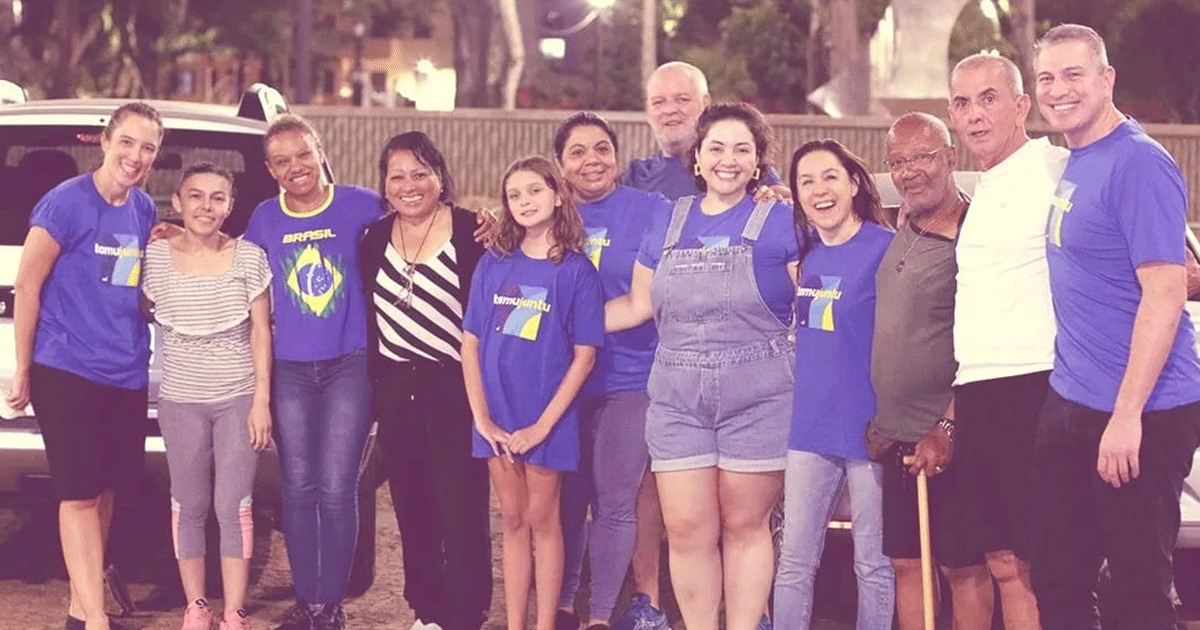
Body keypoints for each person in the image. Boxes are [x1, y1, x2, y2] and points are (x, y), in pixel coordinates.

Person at [1030, 24, 1200, 629]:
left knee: (1138, 595)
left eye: (1074, 74)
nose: (1059, 89)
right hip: (1072, 400)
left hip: (1143, 410)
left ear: (1107, 79)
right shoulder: (1081, 157)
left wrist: (1127, 415)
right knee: (1057, 581)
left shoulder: (1139, 163)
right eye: (1047, 78)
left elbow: (1166, 293)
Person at [606, 102, 798, 630]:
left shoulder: (783, 219)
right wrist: (562, 326)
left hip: (760, 397)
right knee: (688, 530)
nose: (727, 160)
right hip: (677, 399)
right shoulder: (667, 219)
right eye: (716, 148)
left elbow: (812, 305)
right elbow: (637, 306)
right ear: (697, 157)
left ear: (758, 161)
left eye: (742, 149)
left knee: (745, 526)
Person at [7, 102, 162, 630]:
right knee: (77, 494)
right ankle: (96, 619)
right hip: (66, 368)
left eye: (147, 148)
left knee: (104, 491)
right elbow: (27, 285)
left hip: (125, 371)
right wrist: (23, 368)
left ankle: (81, 609)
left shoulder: (143, 210)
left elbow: (134, 289)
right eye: (127, 143)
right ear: (105, 142)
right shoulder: (66, 203)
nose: (135, 156)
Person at [943, 52, 1070, 630]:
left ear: (1021, 106)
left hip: (1037, 386)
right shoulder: (981, 190)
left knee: (1038, 562)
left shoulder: (1055, 166)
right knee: (1000, 562)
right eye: (962, 102)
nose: (974, 114)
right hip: (977, 390)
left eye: (988, 98)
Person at [242, 114, 384, 630]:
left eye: (303, 154)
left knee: (337, 486)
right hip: (290, 371)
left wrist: (482, 222)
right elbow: (235, 268)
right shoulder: (263, 219)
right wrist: (178, 236)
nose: (295, 167)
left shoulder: (360, 204)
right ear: (270, 169)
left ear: (320, 152)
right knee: (299, 487)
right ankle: (307, 602)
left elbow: (420, 223)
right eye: (282, 161)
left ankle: (330, 604)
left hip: (350, 363)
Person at [358, 131, 492, 630]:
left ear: (440, 177)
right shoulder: (374, 238)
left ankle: (464, 613)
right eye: (397, 176)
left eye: (420, 173)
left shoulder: (471, 230)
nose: (408, 185)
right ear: (384, 185)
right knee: (411, 505)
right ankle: (426, 611)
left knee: (461, 505)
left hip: (455, 385)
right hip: (396, 387)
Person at [463, 156, 604, 630]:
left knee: (545, 520)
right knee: (513, 519)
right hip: (497, 415)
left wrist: (542, 426)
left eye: (534, 191)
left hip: (547, 416)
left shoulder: (577, 271)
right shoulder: (493, 263)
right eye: (514, 195)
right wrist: (482, 418)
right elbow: (470, 343)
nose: (524, 202)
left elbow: (585, 356)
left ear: (558, 195)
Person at [865, 112, 992, 630]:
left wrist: (947, 426)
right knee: (906, 564)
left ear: (951, 158)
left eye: (922, 156)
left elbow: (987, 344)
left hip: (949, 436)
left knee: (964, 567)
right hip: (896, 435)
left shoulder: (975, 236)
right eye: (898, 161)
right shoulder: (903, 222)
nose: (909, 171)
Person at [551, 112, 671, 630]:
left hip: (630, 377)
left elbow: (650, 298)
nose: (592, 160)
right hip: (562, 383)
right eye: (577, 152)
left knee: (616, 498)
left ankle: (600, 615)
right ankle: (562, 606)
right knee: (567, 499)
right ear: (560, 164)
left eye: (601, 148)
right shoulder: (547, 213)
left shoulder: (651, 209)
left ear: (617, 156)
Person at [142, 163, 273, 630]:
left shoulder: (249, 257)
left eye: (218, 198)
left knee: (233, 505)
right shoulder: (154, 258)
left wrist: (261, 400)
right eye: (195, 196)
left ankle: (235, 611)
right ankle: (196, 606)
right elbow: (129, 306)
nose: (206, 206)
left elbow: (261, 332)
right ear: (177, 202)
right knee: (189, 503)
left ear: (230, 206)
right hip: (180, 401)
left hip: (237, 397)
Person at [772, 139, 895, 630]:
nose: (819, 190)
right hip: (810, 429)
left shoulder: (886, 249)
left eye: (829, 177)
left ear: (854, 183)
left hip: (871, 430)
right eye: (806, 181)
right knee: (794, 561)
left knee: (874, 564)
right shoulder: (808, 254)